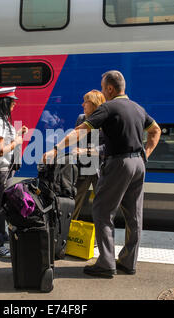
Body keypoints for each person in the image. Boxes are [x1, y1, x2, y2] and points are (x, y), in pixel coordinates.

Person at [43, 70, 161, 278]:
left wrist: (55, 150)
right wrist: (146, 155)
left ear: (109, 88)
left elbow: (81, 130)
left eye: (103, 86)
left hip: (118, 164)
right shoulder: (138, 108)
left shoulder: (109, 107)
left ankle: (106, 263)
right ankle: (128, 262)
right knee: (134, 215)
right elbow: (155, 131)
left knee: (102, 211)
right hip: (138, 163)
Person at [0, 87, 28, 258]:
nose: (15, 104)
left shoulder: (1, 121)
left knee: (3, 205)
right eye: (12, 101)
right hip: (0, 168)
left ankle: (1, 239)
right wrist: (17, 140)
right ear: (4, 102)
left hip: (5, 167)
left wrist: (17, 134)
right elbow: (0, 150)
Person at [71, 90, 106, 220]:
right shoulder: (81, 118)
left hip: (101, 168)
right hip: (83, 166)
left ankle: (101, 236)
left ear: (95, 104)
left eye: (86, 102)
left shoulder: (106, 121)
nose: (82, 104)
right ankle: (68, 232)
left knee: (103, 204)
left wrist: (86, 151)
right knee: (74, 201)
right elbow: (75, 138)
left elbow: (107, 147)